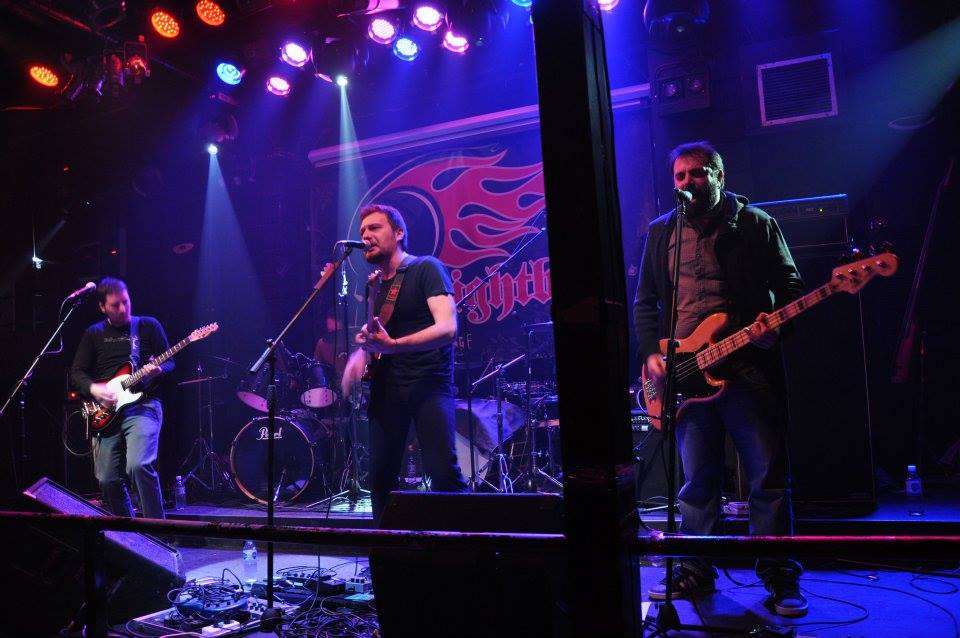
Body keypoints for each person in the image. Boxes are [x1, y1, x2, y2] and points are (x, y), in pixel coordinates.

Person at [633, 141, 807, 617]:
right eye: (680, 175)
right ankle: (695, 568)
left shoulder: (755, 223)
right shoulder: (661, 232)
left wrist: (774, 328)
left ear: (719, 176)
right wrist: (651, 354)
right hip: (686, 374)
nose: (687, 182)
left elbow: (790, 286)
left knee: (766, 475)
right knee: (697, 480)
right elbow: (645, 301)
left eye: (698, 173)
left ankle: (779, 574)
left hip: (747, 366)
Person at [341, 204, 468, 523]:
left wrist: (394, 346)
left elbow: (448, 329)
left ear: (399, 233)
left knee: (443, 472)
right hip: (387, 389)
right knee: (380, 478)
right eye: (362, 231)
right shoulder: (375, 285)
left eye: (374, 228)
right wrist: (361, 353)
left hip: (428, 384)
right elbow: (378, 336)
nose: (366, 236)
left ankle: (465, 544)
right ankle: (385, 548)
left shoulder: (426, 268)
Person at [71, 277, 173, 519]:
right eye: (115, 305)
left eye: (126, 302)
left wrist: (159, 370)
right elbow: (77, 372)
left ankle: (158, 532)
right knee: (106, 479)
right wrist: (95, 389)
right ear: (102, 307)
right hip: (106, 411)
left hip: (144, 405)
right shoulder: (93, 333)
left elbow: (171, 362)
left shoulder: (147, 326)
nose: (123, 308)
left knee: (139, 465)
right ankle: (128, 532)